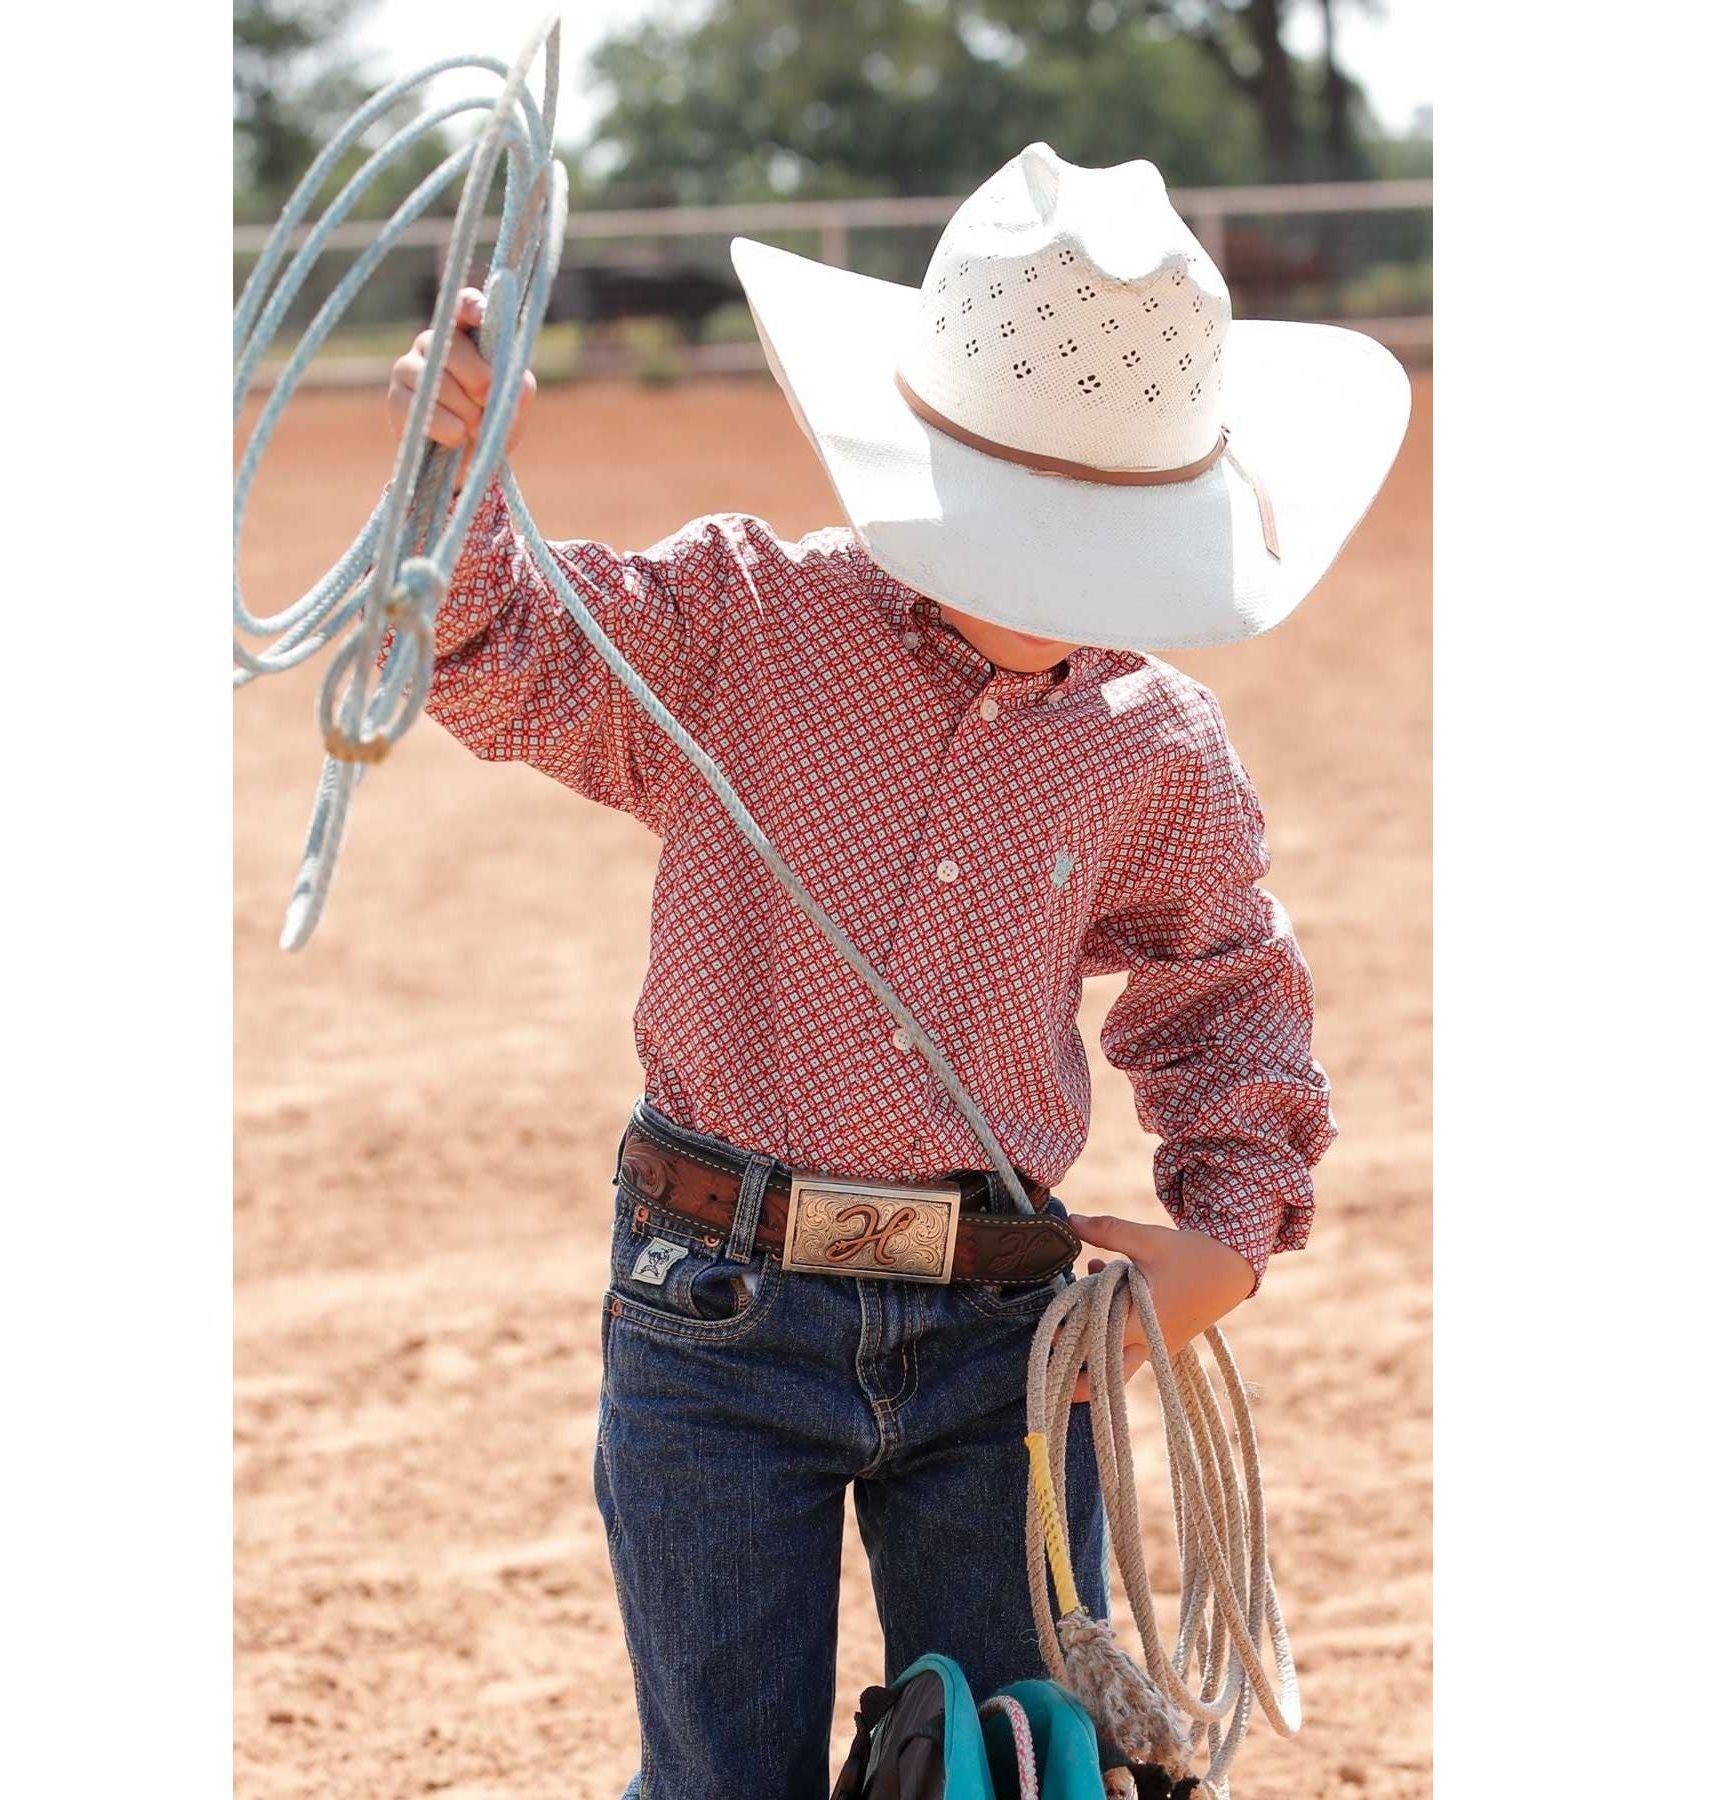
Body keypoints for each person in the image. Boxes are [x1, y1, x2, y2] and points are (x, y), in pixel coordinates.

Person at [380, 145, 1408, 1800]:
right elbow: (509, 657)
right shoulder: (748, 620)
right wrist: (457, 484)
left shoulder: (1159, 748)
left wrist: (1228, 1230)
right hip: (717, 1305)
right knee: (727, 1778)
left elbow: (1225, 992)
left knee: (1021, 1766)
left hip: (1004, 1328)